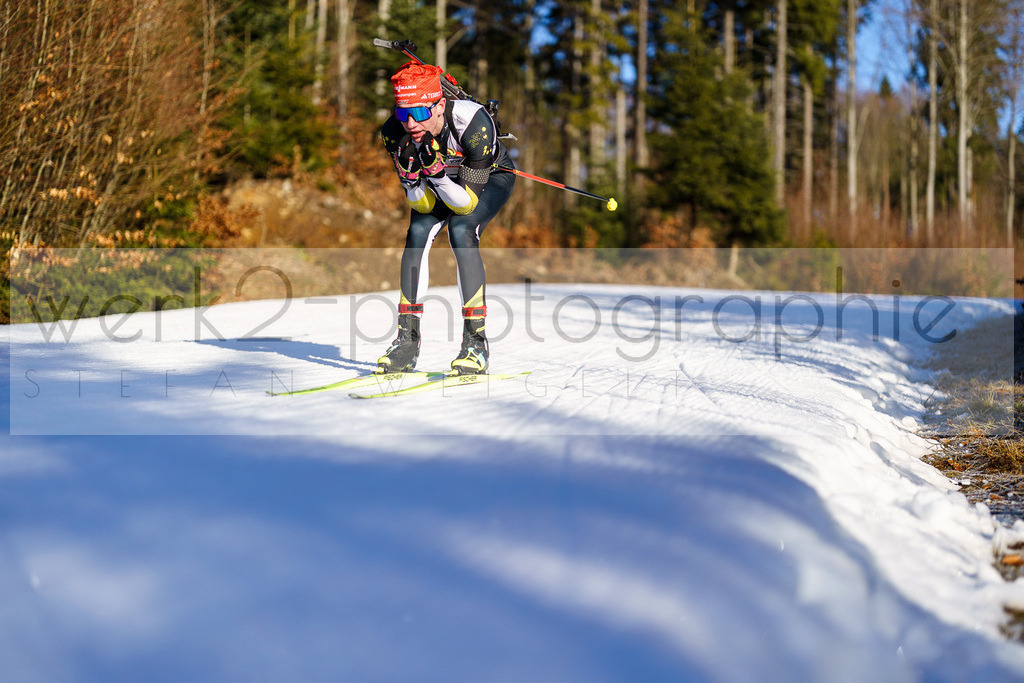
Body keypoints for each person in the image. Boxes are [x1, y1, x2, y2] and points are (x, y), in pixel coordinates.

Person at [376, 60, 515, 375]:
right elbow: (423, 206)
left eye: (421, 112)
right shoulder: (393, 133)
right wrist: (411, 180)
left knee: (462, 229)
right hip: (440, 182)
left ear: (440, 106)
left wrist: (436, 175)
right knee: (417, 232)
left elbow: (465, 204)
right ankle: (406, 342)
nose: (411, 123)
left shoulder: (473, 124)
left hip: (488, 179)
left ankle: (475, 344)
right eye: (403, 113)